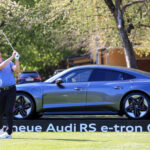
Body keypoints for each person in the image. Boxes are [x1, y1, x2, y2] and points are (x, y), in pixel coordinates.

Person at [0, 50, 20, 139]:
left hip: (11, 89)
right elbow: (1, 66)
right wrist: (12, 57)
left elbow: (17, 71)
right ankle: (0, 130)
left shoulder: (10, 62)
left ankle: (8, 132)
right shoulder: (6, 62)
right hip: (1, 91)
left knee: (8, 111)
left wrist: (16, 59)